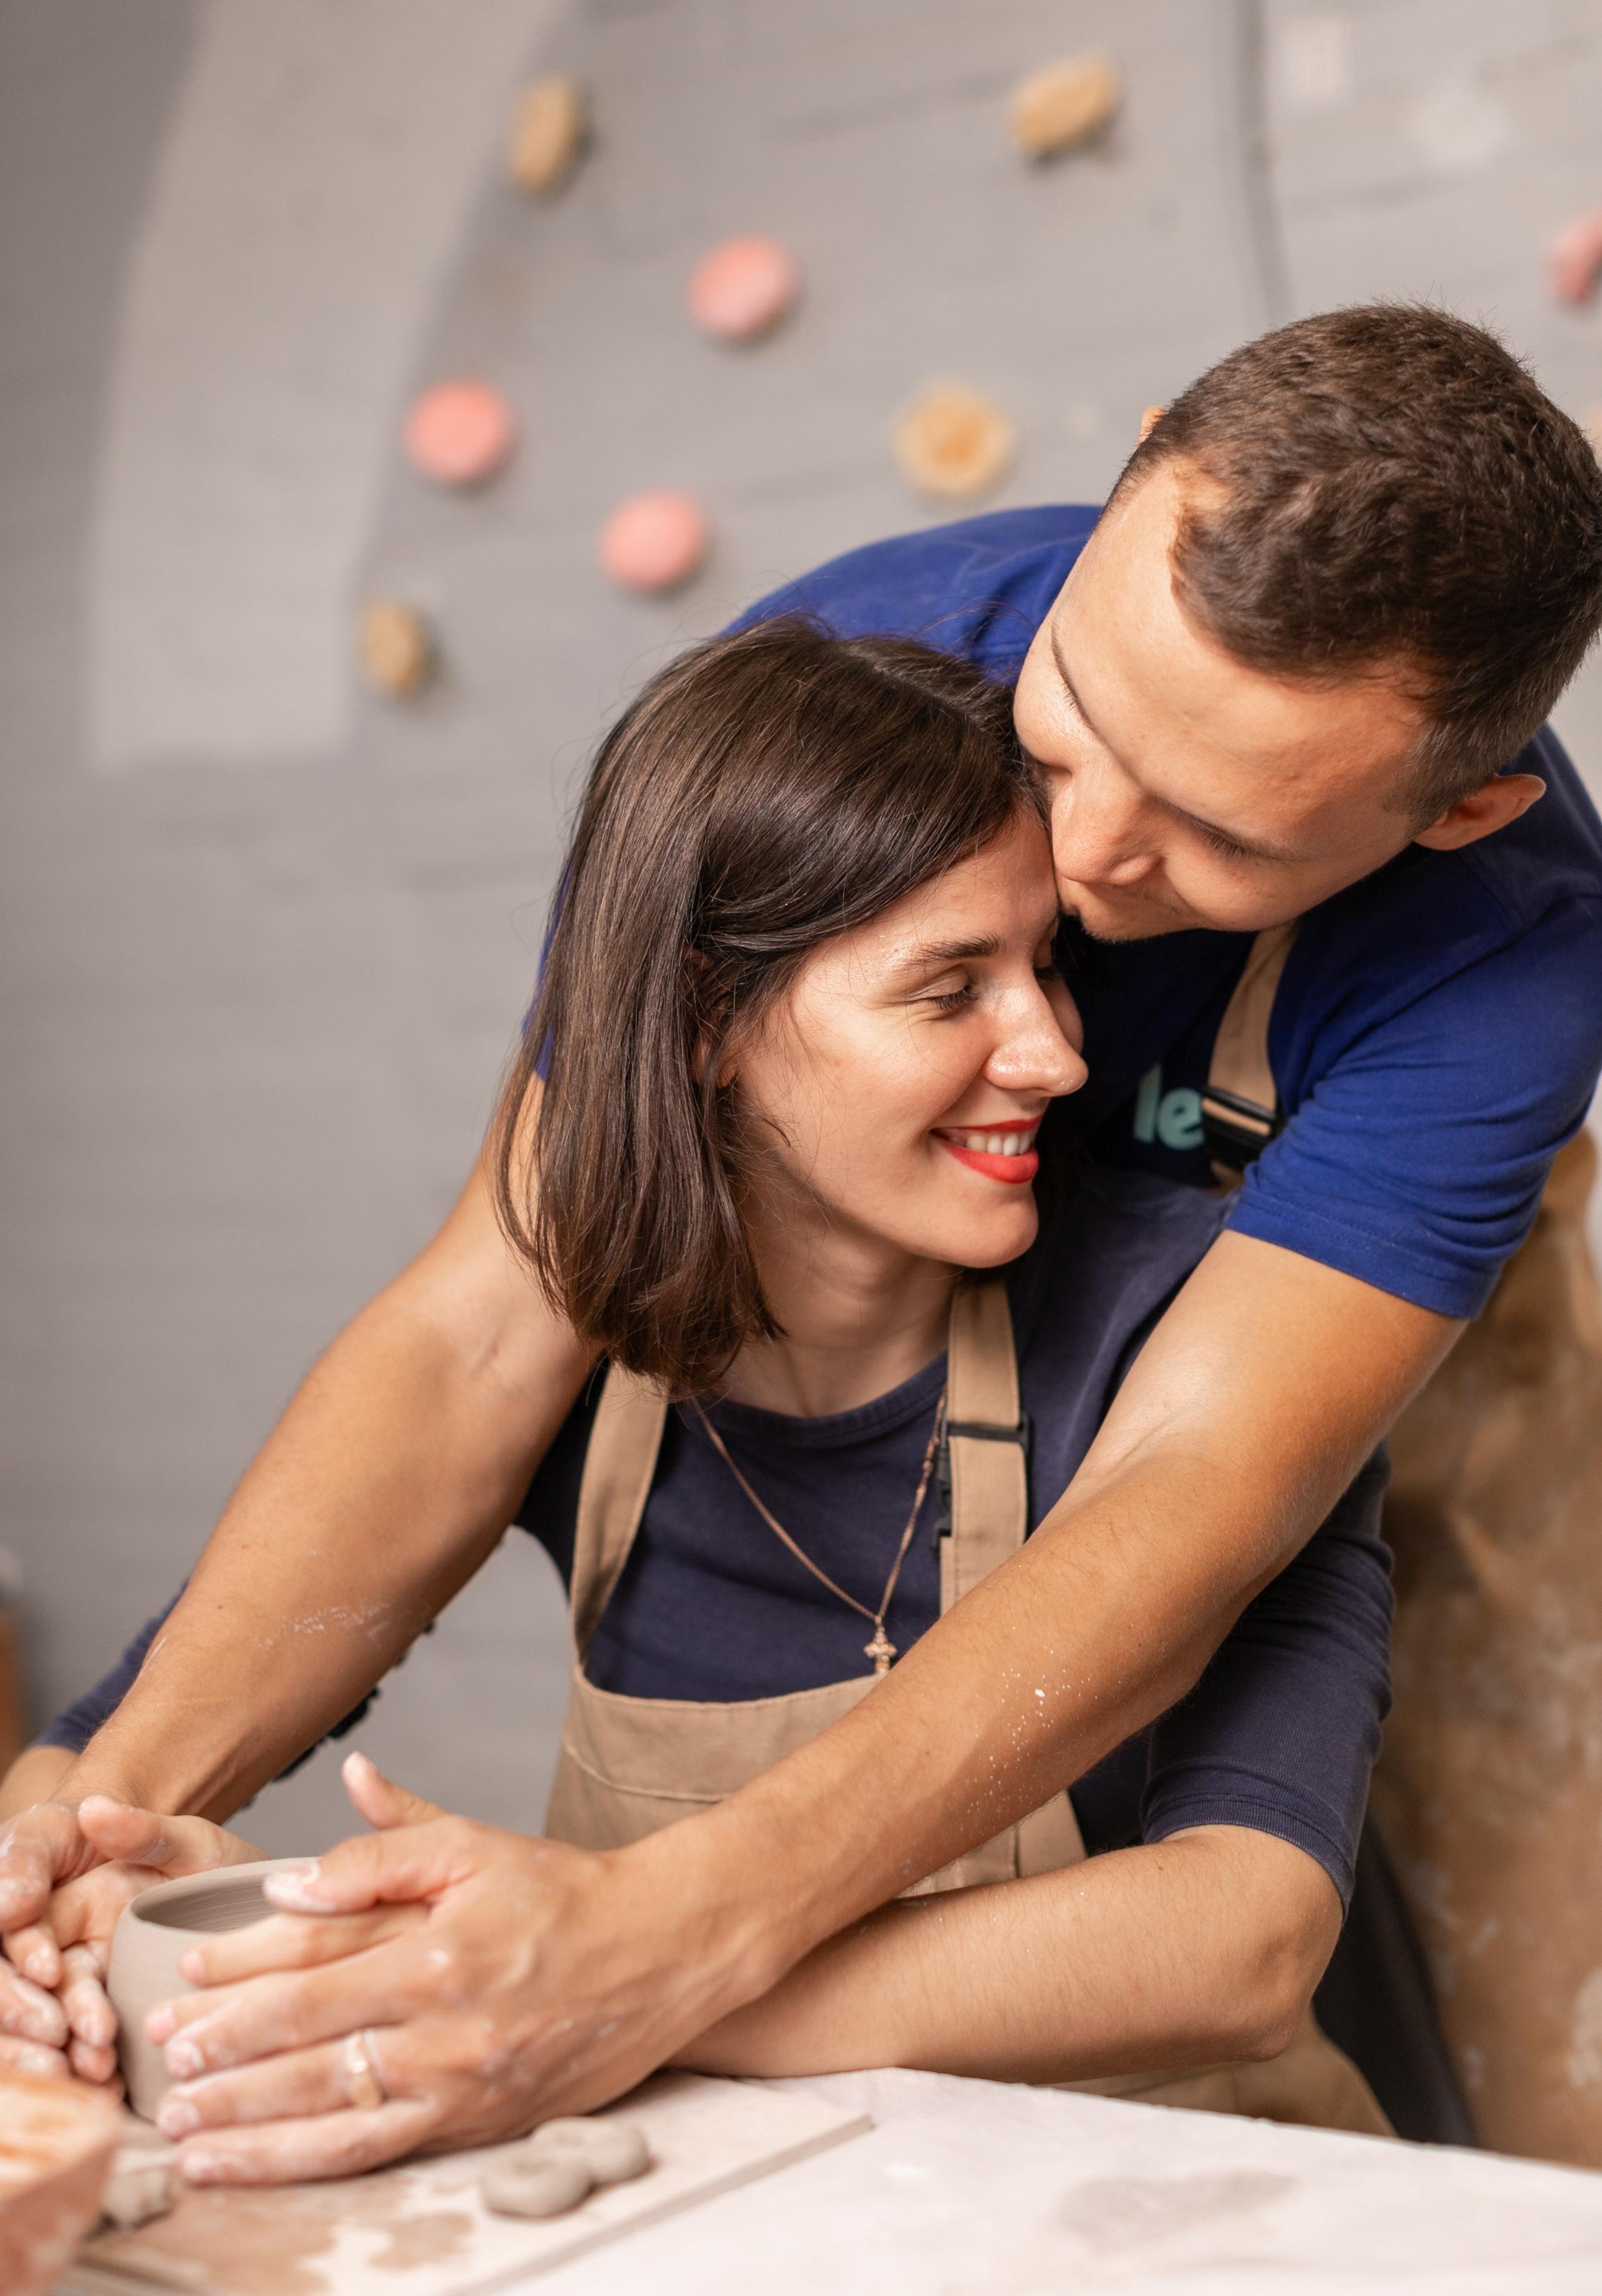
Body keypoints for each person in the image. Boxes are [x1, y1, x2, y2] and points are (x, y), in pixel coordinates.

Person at [3, 304, 1601, 2165]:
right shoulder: (863, 659)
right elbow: (480, 1328)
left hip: (1304, 1357)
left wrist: (662, 1946)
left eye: (1217, 842)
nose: (1086, 866)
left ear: (1459, 811)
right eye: (1074, 727)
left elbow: (1203, 1481)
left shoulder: (1514, 944)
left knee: (1537, 2010)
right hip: (880, 1321)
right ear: (1139, 453)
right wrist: (98, 1812)